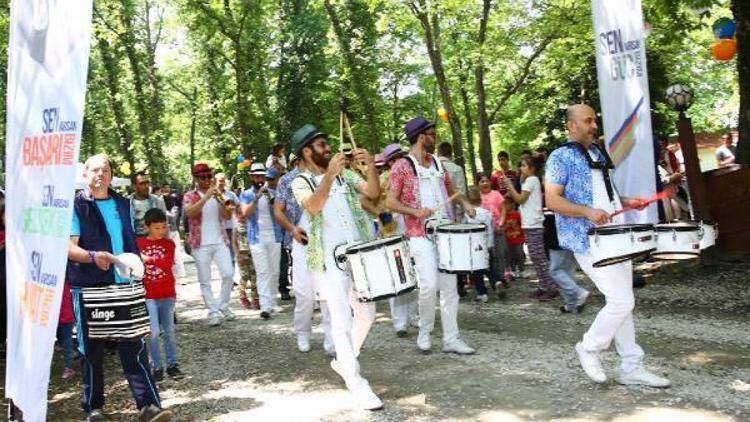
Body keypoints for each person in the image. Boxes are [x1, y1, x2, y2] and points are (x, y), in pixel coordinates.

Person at [545, 104, 670, 387]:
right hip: (588, 239)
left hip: (615, 236)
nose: (593, 125)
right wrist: (587, 211)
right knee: (622, 300)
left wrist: (626, 201)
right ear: (571, 126)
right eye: (587, 121)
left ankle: (631, 367)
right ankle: (589, 347)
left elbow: (605, 193)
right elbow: (552, 200)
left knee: (623, 301)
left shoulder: (597, 152)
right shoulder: (559, 156)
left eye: (594, 120)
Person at [67, 154, 172, 422]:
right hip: (89, 287)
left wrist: (138, 261)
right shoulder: (75, 206)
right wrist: (92, 257)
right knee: (91, 349)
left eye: (105, 170)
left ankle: (148, 407)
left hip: (124, 285)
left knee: (134, 345)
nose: (100, 175)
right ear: (85, 175)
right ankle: (94, 408)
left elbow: (128, 241)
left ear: (112, 175)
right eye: (95, 170)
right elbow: (69, 247)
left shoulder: (124, 204)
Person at [290, 124, 382, 410]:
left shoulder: (345, 176)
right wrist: (329, 175)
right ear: (306, 151)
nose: (328, 148)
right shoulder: (300, 182)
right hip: (328, 262)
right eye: (321, 145)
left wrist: (371, 166)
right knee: (341, 320)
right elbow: (313, 206)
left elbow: (373, 192)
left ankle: (344, 361)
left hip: (356, 254)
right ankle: (356, 383)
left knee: (368, 312)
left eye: (327, 144)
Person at [386, 116, 476, 355]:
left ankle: (451, 338)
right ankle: (424, 331)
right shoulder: (401, 166)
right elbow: (390, 201)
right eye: (432, 134)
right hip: (418, 234)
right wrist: (414, 211)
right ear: (420, 136)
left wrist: (465, 203)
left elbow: (451, 189)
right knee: (429, 285)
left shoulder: (437, 163)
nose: (435, 138)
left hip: (444, 232)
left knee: (450, 287)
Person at [275, 153, 333, 352]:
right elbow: (278, 210)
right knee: (304, 293)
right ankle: (302, 332)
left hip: (326, 238)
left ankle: (331, 337)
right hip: (302, 238)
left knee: (327, 290)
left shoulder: (326, 175)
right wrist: (292, 229)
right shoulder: (287, 180)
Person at [183, 164, 236, 326]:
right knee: (205, 280)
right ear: (196, 179)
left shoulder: (218, 195)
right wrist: (206, 197)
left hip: (220, 241)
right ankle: (213, 311)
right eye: (203, 178)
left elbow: (227, 215)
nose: (207, 180)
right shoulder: (189, 196)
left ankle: (223, 305)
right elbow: (189, 213)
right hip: (200, 244)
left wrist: (221, 201)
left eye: (208, 177)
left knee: (228, 273)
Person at [137, 208, 184, 382]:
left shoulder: (169, 244)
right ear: (147, 226)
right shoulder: (138, 244)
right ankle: (157, 366)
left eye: (164, 227)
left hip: (167, 293)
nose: (161, 231)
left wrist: (149, 259)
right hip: (148, 294)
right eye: (157, 228)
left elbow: (167, 264)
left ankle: (172, 365)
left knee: (169, 330)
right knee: (154, 332)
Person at [503, 156, 559, 301]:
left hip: (534, 223)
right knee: (535, 256)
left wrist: (509, 185)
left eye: (524, 166)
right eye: (520, 166)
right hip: (529, 223)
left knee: (539, 257)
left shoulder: (532, 180)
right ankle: (543, 285)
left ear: (532, 168)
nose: (521, 169)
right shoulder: (529, 180)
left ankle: (551, 288)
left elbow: (520, 199)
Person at [240, 163, 284, 320]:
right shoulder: (246, 194)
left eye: (262, 176)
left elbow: (281, 212)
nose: (259, 179)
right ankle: (265, 306)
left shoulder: (273, 192)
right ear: (251, 177)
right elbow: (244, 214)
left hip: (275, 236)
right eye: (256, 176)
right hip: (256, 238)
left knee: (274, 271)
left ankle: (273, 302)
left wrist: (271, 198)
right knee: (263, 272)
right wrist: (257, 196)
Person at [476, 172, 508, 291]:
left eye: (487, 181)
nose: (485, 183)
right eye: (482, 181)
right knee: (489, 256)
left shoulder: (496, 194)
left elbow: (503, 208)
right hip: (483, 234)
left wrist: (501, 222)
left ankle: (501, 278)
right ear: (477, 184)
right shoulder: (476, 197)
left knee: (500, 254)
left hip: (497, 229)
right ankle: (494, 280)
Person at [464, 187, 494, 303]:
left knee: (477, 271)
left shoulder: (467, 215)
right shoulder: (487, 213)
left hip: (474, 248)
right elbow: (491, 229)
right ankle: (496, 281)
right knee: (489, 267)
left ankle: (482, 293)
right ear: (480, 200)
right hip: (487, 245)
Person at [232, 201, 259, 310]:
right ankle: (242, 296)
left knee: (254, 276)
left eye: (243, 213)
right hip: (242, 254)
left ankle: (255, 298)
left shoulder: (251, 225)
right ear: (236, 214)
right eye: (239, 213)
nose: (242, 216)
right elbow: (234, 242)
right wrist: (238, 254)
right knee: (244, 276)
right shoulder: (236, 227)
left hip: (252, 253)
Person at [161, 183, 186, 284]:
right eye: (165, 188)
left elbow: (174, 216)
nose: (167, 190)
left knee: (177, 254)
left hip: (172, 231)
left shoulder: (174, 201)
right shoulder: (158, 200)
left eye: (168, 188)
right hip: (162, 233)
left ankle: (182, 276)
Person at [129, 172, 167, 238]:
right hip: (134, 244)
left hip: (154, 243)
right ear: (134, 186)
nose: (146, 186)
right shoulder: (126, 203)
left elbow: (164, 224)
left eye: (147, 183)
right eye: (142, 183)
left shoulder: (158, 201)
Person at [438, 142, 468, 221]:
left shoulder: (431, 168)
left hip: (437, 214)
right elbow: (461, 193)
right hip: (454, 215)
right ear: (451, 153)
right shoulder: (457, 169)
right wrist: (458, 217)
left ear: (439, 152)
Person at [215, 172, 240, 264]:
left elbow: (238, 206)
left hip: (229, 227)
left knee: (230, 254)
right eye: (220, 181)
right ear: (215, 181)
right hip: (217, 228)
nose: (222, 183)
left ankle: (231, 273)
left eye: (223, 181)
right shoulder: (211, 195)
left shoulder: (231, 194)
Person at [56, 279, 75, 381]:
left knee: (66, 343)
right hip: (53, 318)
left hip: (66, 316)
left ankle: (68, 367)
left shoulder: (67, 282)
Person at [503, 196, 525, 279]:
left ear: (512, 204)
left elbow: (521, 225)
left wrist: (523, 237)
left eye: (507, 204)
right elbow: (502, 228)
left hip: (518, 238)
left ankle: (522, 270)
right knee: (510, 255)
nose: (505, 206)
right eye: (503, 204)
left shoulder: (517, 214)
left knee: (519, 254)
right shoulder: (503, 215)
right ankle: (512, 270)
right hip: (508, 240)